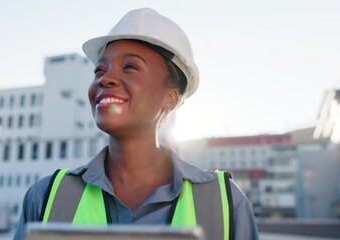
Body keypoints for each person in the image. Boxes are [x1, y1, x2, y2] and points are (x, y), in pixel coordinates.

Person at [14, 8, 258, 240]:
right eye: (99, 70)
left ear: (169, 97)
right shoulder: (45, 197)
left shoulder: (226, 203)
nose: (105, 79)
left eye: (130, 67)